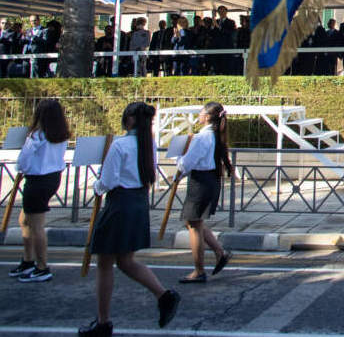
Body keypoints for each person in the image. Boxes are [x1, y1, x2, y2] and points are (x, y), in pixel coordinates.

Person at [79, 102, 181, 337]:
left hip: (120, 203)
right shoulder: (148, 145)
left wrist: (96, 186)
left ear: (130, 120)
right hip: (138, 201)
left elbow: (108, 181)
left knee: (105, 263)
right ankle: (163, 295)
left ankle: (103, 322)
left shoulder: (121, 145)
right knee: (125, 261)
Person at [9, 99, 70, 283]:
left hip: (37, 179)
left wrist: (20, 168)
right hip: (52, 177)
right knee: (25, 220)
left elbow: (25, 159)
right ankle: (28, 261)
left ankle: (42, 266)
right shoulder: (61, 135)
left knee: (35, 225)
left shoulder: (37, 135)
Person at [175, 102, 233, 284]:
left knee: (193, 225)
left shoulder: (202, 138)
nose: (198, 116)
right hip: (210, 180)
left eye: (201, 113)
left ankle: (199, 270)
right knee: (194, 222)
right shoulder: (214, 136)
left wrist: (178, 156)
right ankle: (219, 252)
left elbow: (186, 164)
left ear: (208, 117)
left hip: (201, 182)